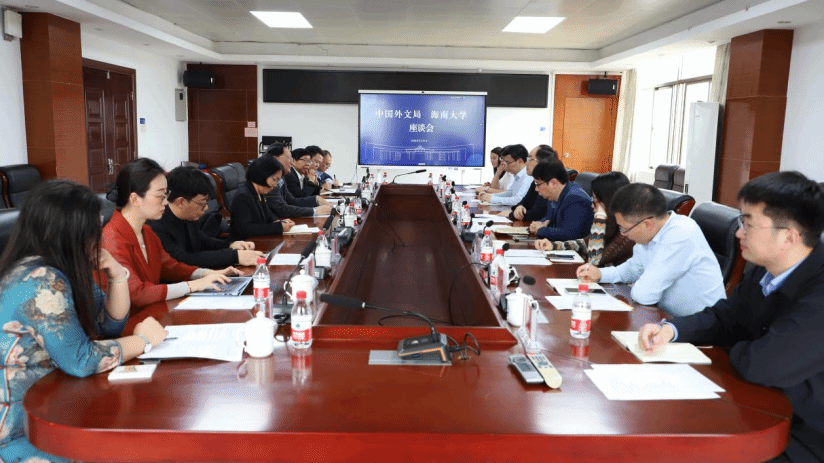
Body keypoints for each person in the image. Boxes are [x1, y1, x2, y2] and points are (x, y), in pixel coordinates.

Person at [638, 172, 824, 463]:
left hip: (802, 436)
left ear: (789, 236)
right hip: (758, 407)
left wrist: (734, 348)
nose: (738, 233)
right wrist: (672, 329)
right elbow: (726, 317)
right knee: (657, 424)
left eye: (748, 224)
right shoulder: (765, 269)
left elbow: (764, 364)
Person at [0, 180, 168, 462]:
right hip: (23, 429)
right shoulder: (40, 281)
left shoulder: (60, 267)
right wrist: (144, 341)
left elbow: (107, 324)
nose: (98, 238)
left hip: (57, 405)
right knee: (134, 450)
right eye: (92, 229)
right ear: (68, 232)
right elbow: (81, 359)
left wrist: (117, 274)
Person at [102, 158, 240, 309]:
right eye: (160, 196)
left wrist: (205, 273)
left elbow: (170, 267)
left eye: (166, 195)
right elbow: (137, 293)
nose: (166, 202)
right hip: (133, 318)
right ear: (135, 199)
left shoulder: (146, 231)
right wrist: (192, 285)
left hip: (153, 311)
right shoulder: (111, 238)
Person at [577, 182, 725, 316]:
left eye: (623, 228)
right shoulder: (649, 235)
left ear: (647, 224)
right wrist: (600, 274)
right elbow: (633, 269)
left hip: (699, 327)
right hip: (666, 318)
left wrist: (636, 285)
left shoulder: (681, 234)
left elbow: (644, 295)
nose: (622, 234)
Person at [148, 166, 264, 268]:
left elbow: (202, 240)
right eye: (202, 204)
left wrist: (230, 245)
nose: (206, 208)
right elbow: (183, 260)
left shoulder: (188, 215)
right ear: (181, 202)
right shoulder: (156, 225)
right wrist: (234, 256)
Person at [535, 171, 634, 267]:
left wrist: (600, 217)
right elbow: (586, 243)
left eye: (596, 201)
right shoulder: (611, 222)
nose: (592, 205)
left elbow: (594, 260)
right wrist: (554, 245)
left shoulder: (627, 233)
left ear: (608, 201)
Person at [231, 155, 295, 240]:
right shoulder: (243, 196)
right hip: (245, 244)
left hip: (259, 240)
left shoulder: (258, 192)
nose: (275, 185)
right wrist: (279, 227)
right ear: (262, 174)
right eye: (274, 179)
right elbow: (245, 229)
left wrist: (280, 222)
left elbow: (268, 215)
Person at [528, 159, 594, 241]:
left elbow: (569, 234)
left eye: (538, 184)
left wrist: (540, 230)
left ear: (553, 183)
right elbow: (550, 220)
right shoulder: (554, 196)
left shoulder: (576, 199)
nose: (536, 189)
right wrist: (539, 224)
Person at [264, 144, 332, 218]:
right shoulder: (268, 177)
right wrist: (315, 211)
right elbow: (280, 209)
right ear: (275, 159)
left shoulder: (281, 177)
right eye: (288, 158)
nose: (291, 162)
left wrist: (316, 199)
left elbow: (291, 201)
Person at [506, 145, 558, 221]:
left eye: (530, 159)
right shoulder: (535, 181)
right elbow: (523, 202)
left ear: (542, 162)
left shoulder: (548, 183)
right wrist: (520, 207)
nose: (526, 163)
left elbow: (536, 215)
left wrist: (512, 214)